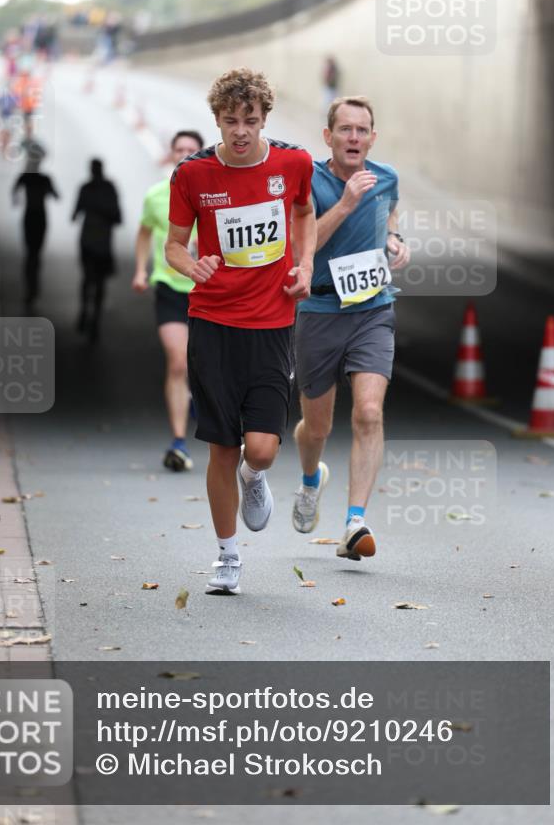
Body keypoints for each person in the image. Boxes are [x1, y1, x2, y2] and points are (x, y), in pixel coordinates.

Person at [165, 68, 316, 595]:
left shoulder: (293, 163)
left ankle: (255, 479)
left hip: (272, 323)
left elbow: (305, 212)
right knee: (222, 448)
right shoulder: (192, 174)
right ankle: (227, 557)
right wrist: (192, 266)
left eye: (250, 120)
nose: (241, 131)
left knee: (261, 450)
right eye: (231, 121)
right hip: (212, 323)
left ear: (264, 119)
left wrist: (306, 265)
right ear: (217, 120)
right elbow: (173, 245)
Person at [291, 96, 410, 561]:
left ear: (372, 138)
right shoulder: (308, 181)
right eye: (345, 129)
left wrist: (395, 239)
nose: (354, 138)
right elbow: (301, 246)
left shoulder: (386, 177)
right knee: (316, 427)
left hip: (372, 308)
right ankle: (310, 480)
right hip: (319, 309)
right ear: (328, 136)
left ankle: (354, 521)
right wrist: (345, 204)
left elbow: (389, 213)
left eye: (362, 130)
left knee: (369, 412)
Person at [132, 131, 205, 472]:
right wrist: (140, 270)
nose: (185, 154)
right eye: (180, 149)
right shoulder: (157, 196)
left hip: (208, 291)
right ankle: (178, 441)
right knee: (178, 361)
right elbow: (144, 232)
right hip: (170, 288)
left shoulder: (215, 196)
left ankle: (200, 400)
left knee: (206, 364)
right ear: (171, 154)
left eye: (192, 150)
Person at [72, 159, 122, 342]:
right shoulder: (109, 189)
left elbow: (74, 214)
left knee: (87, 278)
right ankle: (95, 318)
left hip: (87, 240)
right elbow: (118, 218)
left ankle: (85, 310)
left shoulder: (86, 188)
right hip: (102, 243)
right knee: (100, 282)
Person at [11, 140, 59, 308]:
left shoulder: (26, 177)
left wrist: (17, 200)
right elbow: (56, 196)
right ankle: (33, 286)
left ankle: (30, 287)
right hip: (40, 217)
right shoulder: (44, 179)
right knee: (36, 253)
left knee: (30, 253)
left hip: (30, 216)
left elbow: (14, 193)